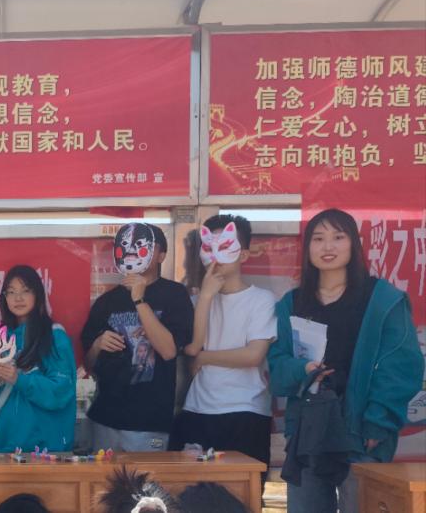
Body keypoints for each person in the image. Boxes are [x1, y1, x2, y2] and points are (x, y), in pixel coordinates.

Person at [268, 208, 423, 513]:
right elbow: (277, 364)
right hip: (308, 432)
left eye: (338, 237)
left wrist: (378, 422)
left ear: (354, 244)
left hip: (361, 431)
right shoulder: (292, 303)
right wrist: (303, 369)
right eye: (318, 238)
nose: (328, 247)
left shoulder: (382, 299)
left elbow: (401, 367)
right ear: (307, 247)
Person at [169, 215, 276, 481]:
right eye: (209, 247)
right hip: (198, 408)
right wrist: (206, 296)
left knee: (243, 493)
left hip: (246, 409)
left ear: (244, 254)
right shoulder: (195, 301)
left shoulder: (261, 299)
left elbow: (253, 355)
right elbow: (192, 349)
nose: (216, 255)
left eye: (225, 246)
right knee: (189, 493)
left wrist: (206, 357)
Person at [81, 223, 193, 452]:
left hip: (149, 422)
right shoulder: (106, 301)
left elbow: (169, 350)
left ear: (161, 255)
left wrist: (139, 300)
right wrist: (98, 345)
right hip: (105, 418)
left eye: (141, 244)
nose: (131, 250)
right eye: (125, 245)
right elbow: (89, 364)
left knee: (146, 477)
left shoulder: (175, 294)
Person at [0, 265, 76, 452]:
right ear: (4, 298)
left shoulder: (54, 336)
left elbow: (61, 391)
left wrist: (19, 379)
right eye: (11, 292)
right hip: (3, 445)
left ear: (38, 294)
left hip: (45, 448)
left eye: (25, 291)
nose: (18, 298)